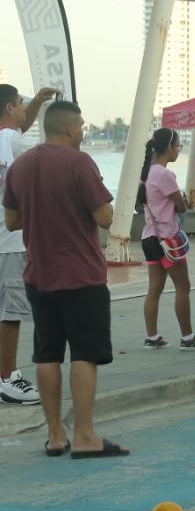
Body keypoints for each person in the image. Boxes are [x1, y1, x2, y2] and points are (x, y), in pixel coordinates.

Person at [3, 101, 123, 457]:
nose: (84, 131)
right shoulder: (79, 163)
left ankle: (55, 435)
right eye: (82, 126)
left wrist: (43, 213)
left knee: (47, 354)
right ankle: (85, 435)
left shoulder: (21, 167)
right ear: (70, 129)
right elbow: (104, 216)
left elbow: (11, 221)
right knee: (85, 353)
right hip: (81, 275)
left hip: (38, 274)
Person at [0, 84, 57, 405]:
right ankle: (7, 378)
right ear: (9, 107)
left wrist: (36, 102)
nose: (24, 109)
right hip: (9, 241)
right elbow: (47, 156)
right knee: (10, 313)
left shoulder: (6, 139)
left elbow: (17, 130)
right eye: (21, 104)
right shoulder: (14, 141)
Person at [136, 128, 195, 349]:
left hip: (149, 237)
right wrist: (181, 199)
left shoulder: (145, 173)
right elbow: (181, 205)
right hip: (168, 240)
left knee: (154, 289)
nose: (177, 151)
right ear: (169, 148)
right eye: (178, 147)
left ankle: (151, 337)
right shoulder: (165, 175)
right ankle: (187, 337)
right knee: (183, 286)